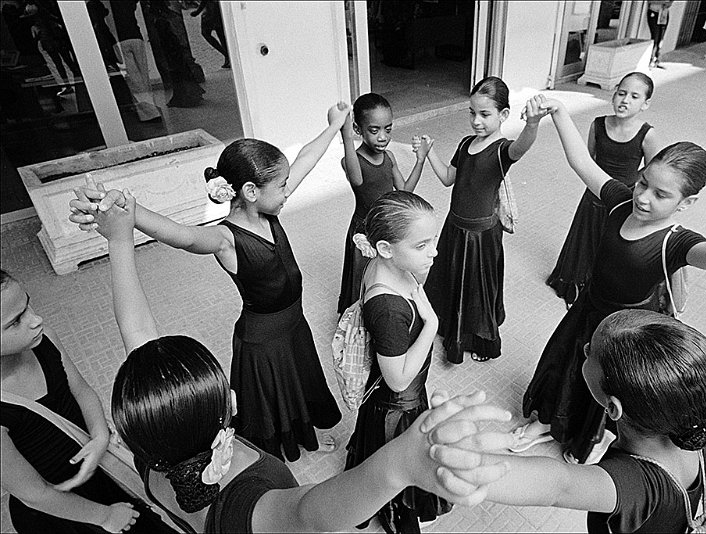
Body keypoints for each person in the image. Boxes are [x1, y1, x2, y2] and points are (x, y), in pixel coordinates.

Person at [74, 185, 515, 533]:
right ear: (230, 404)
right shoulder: (254, 504)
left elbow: (138, 334)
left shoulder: (154, 459)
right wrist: (402, 464)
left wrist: (121, 234)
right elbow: (320, 512)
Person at [429, 176, 706, 533]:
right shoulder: (696, 404)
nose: (585, 348)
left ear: (613, 406)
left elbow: (557, 485)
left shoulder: (635, 484)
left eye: (591, 353)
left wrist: (446, 463)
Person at [69, 103, 352, 463]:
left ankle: (306, 432)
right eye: (281, 186)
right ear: (250, 190)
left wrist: (333, 126)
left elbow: (307, 159)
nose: (287, 192)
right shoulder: (225, 238)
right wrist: (131, 213)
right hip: (263, 340)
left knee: (297, 383)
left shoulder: (269, 205)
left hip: (293, 324)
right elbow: (183, 236)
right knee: (273, 397)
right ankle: (285, 447)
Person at [520, 95, 706, 464]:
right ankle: (550, 423)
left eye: (661, 194)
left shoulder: (675, 240)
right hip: (589, 310)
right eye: (642, 184)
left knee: (608, 388)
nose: (643, 197)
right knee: (568, 370)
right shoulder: (621, 200)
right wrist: (558, 111)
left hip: (627, 333)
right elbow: (580, 162)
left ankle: (585, 441)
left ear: (686, 204)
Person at [0, 269, 169, 533]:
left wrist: (100, 435)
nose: (36, 319)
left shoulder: (45, 340)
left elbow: (81, 390)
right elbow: (33, 494)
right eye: (15, 322)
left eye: (28, 305)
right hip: (63, 508)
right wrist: (104, 517)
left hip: (101, 468)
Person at [418, 76, 548, 364]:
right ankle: (451, 327)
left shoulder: (502, 150)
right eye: (472, 113)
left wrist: (533, 124)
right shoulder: (466, 144)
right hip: (455, 227)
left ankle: (477, 338)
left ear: (503, 115)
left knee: (478, 289)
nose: (476, 121)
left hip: (481, 235)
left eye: (485, 114)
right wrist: (429, 154)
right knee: (451, 279)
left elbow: (521, 147)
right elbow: (448, 179)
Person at [344, 191, 449, 533]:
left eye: (432, 240)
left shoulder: (384, 262)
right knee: (396, 471)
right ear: (386, 249)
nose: (433, 251)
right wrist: (431, 325)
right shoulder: (387, 308)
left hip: (401, 398)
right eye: (421, 246)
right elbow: (399, 380)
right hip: (396, 405)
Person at [547, 72, 660, 307]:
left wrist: (630, 182)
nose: (625, 100)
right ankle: (575, 285)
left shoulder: (647, 134)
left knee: (612, 246)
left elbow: (651, 171)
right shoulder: (598, 124)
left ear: (645, 104)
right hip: (594, 196)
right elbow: (588, 159)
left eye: (634, 96)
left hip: (623, 200)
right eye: (621, 93)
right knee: (585, 240)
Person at [337, 93, 430, 314]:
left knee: (386, 278)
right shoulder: (351, 160)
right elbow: (358, 181)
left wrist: (420, 160)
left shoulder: (389, 157)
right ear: (358, 130)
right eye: (374, 130)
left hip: (386, 229)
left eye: (388, 129)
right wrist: (346, 135)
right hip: (364, 232)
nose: (382, 137)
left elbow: (405, 191)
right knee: (364, 282)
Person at [110, 0, 162, 122]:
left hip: (119, 40)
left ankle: (148, 111)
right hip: (135, 36)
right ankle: (151, 107)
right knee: (143, 75)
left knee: (134, 79)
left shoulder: (108, 4)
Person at [190, 0, 229, 69]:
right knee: (220, 32)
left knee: (206, 33)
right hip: (217, 8)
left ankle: (226, 54)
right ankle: (227, 56)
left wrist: (198, 11)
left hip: (212, 9)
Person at [646, 1, 673, 68]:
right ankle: (651, 59)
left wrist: (670, 2)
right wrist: (663, 2)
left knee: (661, 38)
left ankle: (656, 59)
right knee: (655, 37)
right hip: (654, 11)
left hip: (664, 12)